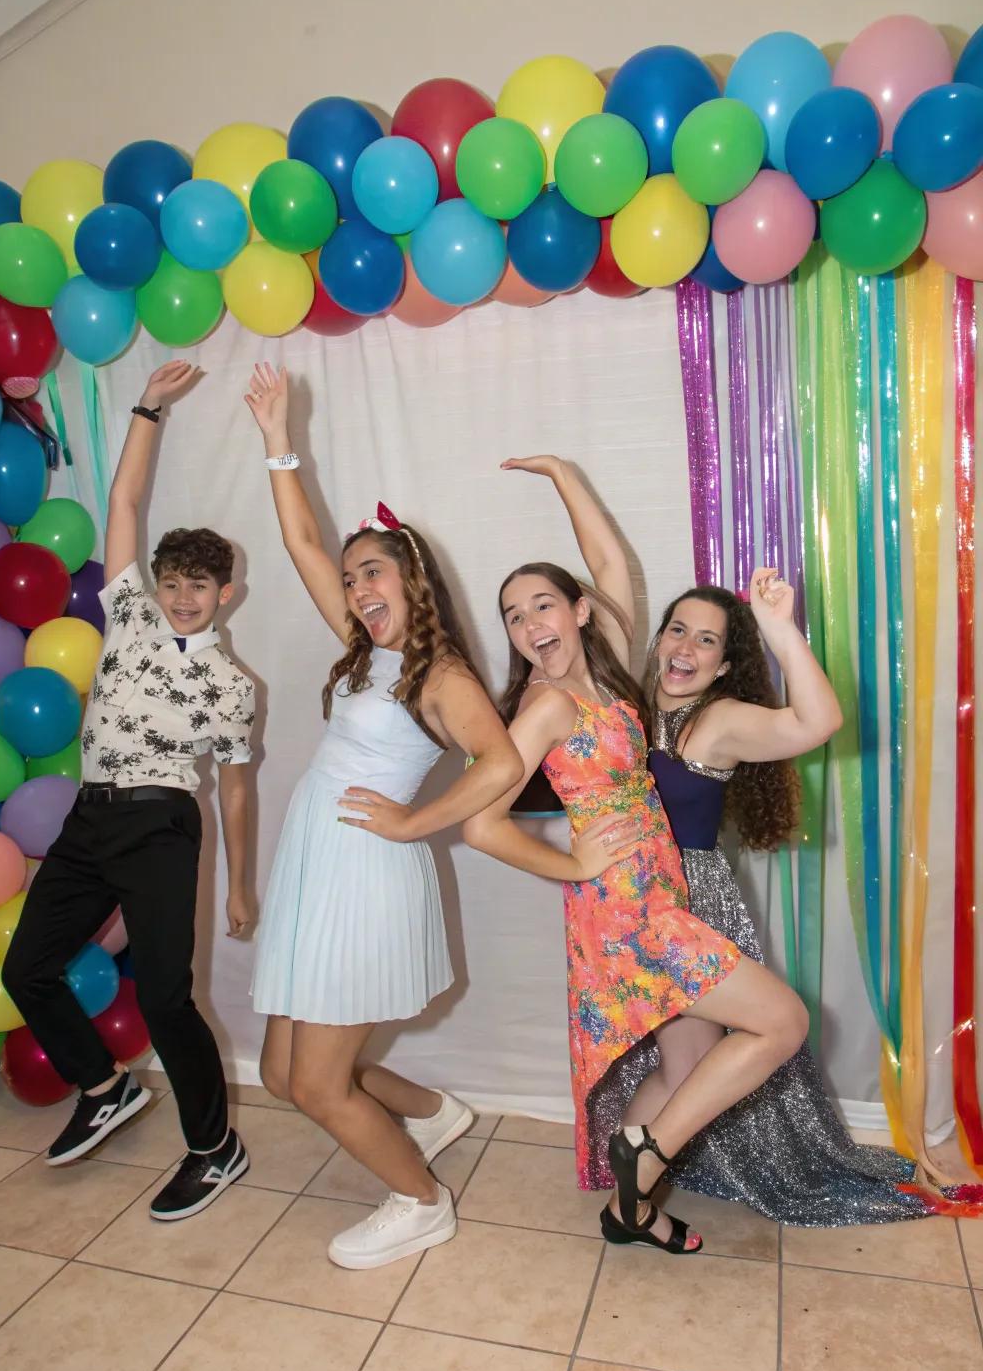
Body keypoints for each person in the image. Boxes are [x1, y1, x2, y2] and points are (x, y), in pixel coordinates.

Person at [528, 458, 940, 1225]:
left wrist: (781, 630)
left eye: (707, 640)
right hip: (622, 901)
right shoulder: (624, 695)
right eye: (676, 629)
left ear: (724, 662)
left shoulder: (716, 723)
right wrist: (562, 474)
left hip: (691, 902)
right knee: (682, 1066)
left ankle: (636, 1184)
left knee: (694, 1066)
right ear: (656, 640)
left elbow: (815, 724)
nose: (685, 646)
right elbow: (608, 564)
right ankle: (635, 1189)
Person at [463, 454, 811, 1255]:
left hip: (654, 899)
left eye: (542, 605)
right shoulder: (546, 704)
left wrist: (561, 473)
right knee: (782, 1022)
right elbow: (482, 826)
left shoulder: (617, 681)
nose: (528, 624)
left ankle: (633, 1210)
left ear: (581, 611)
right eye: (513, 615)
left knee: (691, 1066)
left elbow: (611, 561)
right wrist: (575, 866)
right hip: (629, 911)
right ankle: (643, 1153)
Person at [243, 363, 522, 1270]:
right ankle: (436, 1115)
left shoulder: (439, 676)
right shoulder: (364, 652)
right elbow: (301, 546)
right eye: (355, 575)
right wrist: (277, 440)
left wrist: (413, 824)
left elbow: (504, 762)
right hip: (316, 868)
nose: (359, 586)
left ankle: (420, 1200)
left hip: (365, 876)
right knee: (285, 1077)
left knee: (319, 1084)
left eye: (375, 571)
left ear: (413, 579)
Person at [3, 361, 256, 1221]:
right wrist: (148, 408)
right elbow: (123, 507)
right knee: (27, 967)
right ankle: (104, 1088)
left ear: (228, 594)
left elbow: (234, 789)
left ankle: (216, 1147)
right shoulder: (135, 618)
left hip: (161, 825)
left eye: (200, 587)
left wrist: (244, 883)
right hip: (89, 818)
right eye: (173, 582)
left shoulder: (231, 684)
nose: (183, 597)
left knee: (163, 995)